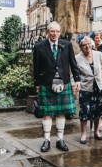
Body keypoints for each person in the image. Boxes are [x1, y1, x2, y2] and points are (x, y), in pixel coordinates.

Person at [33, 21, 81, 153]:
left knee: (61, 113)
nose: (54, 34)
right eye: (52, 31)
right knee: (46, 114)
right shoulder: (39, 46)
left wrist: (77, 79)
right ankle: (46, 140)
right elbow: (36, 67)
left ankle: (60, 139)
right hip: (46, 83)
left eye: (57, 31)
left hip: (63, 82)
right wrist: (36, 84)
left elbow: (73, 63)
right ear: (47, 32)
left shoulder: (66, 45)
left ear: (60, 32)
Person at [75, 37, 102, 145]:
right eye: (84, 45)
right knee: (84, 111)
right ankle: (83, 133)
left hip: (99, 86)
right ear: (81, 47)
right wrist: (75, 85)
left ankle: (96, 131)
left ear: (91, 44)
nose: (87, 47)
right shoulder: (77, 58)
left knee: (97, 110)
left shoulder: (98, 54)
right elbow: (75, 74)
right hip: (85, 87)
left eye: (88, 44)